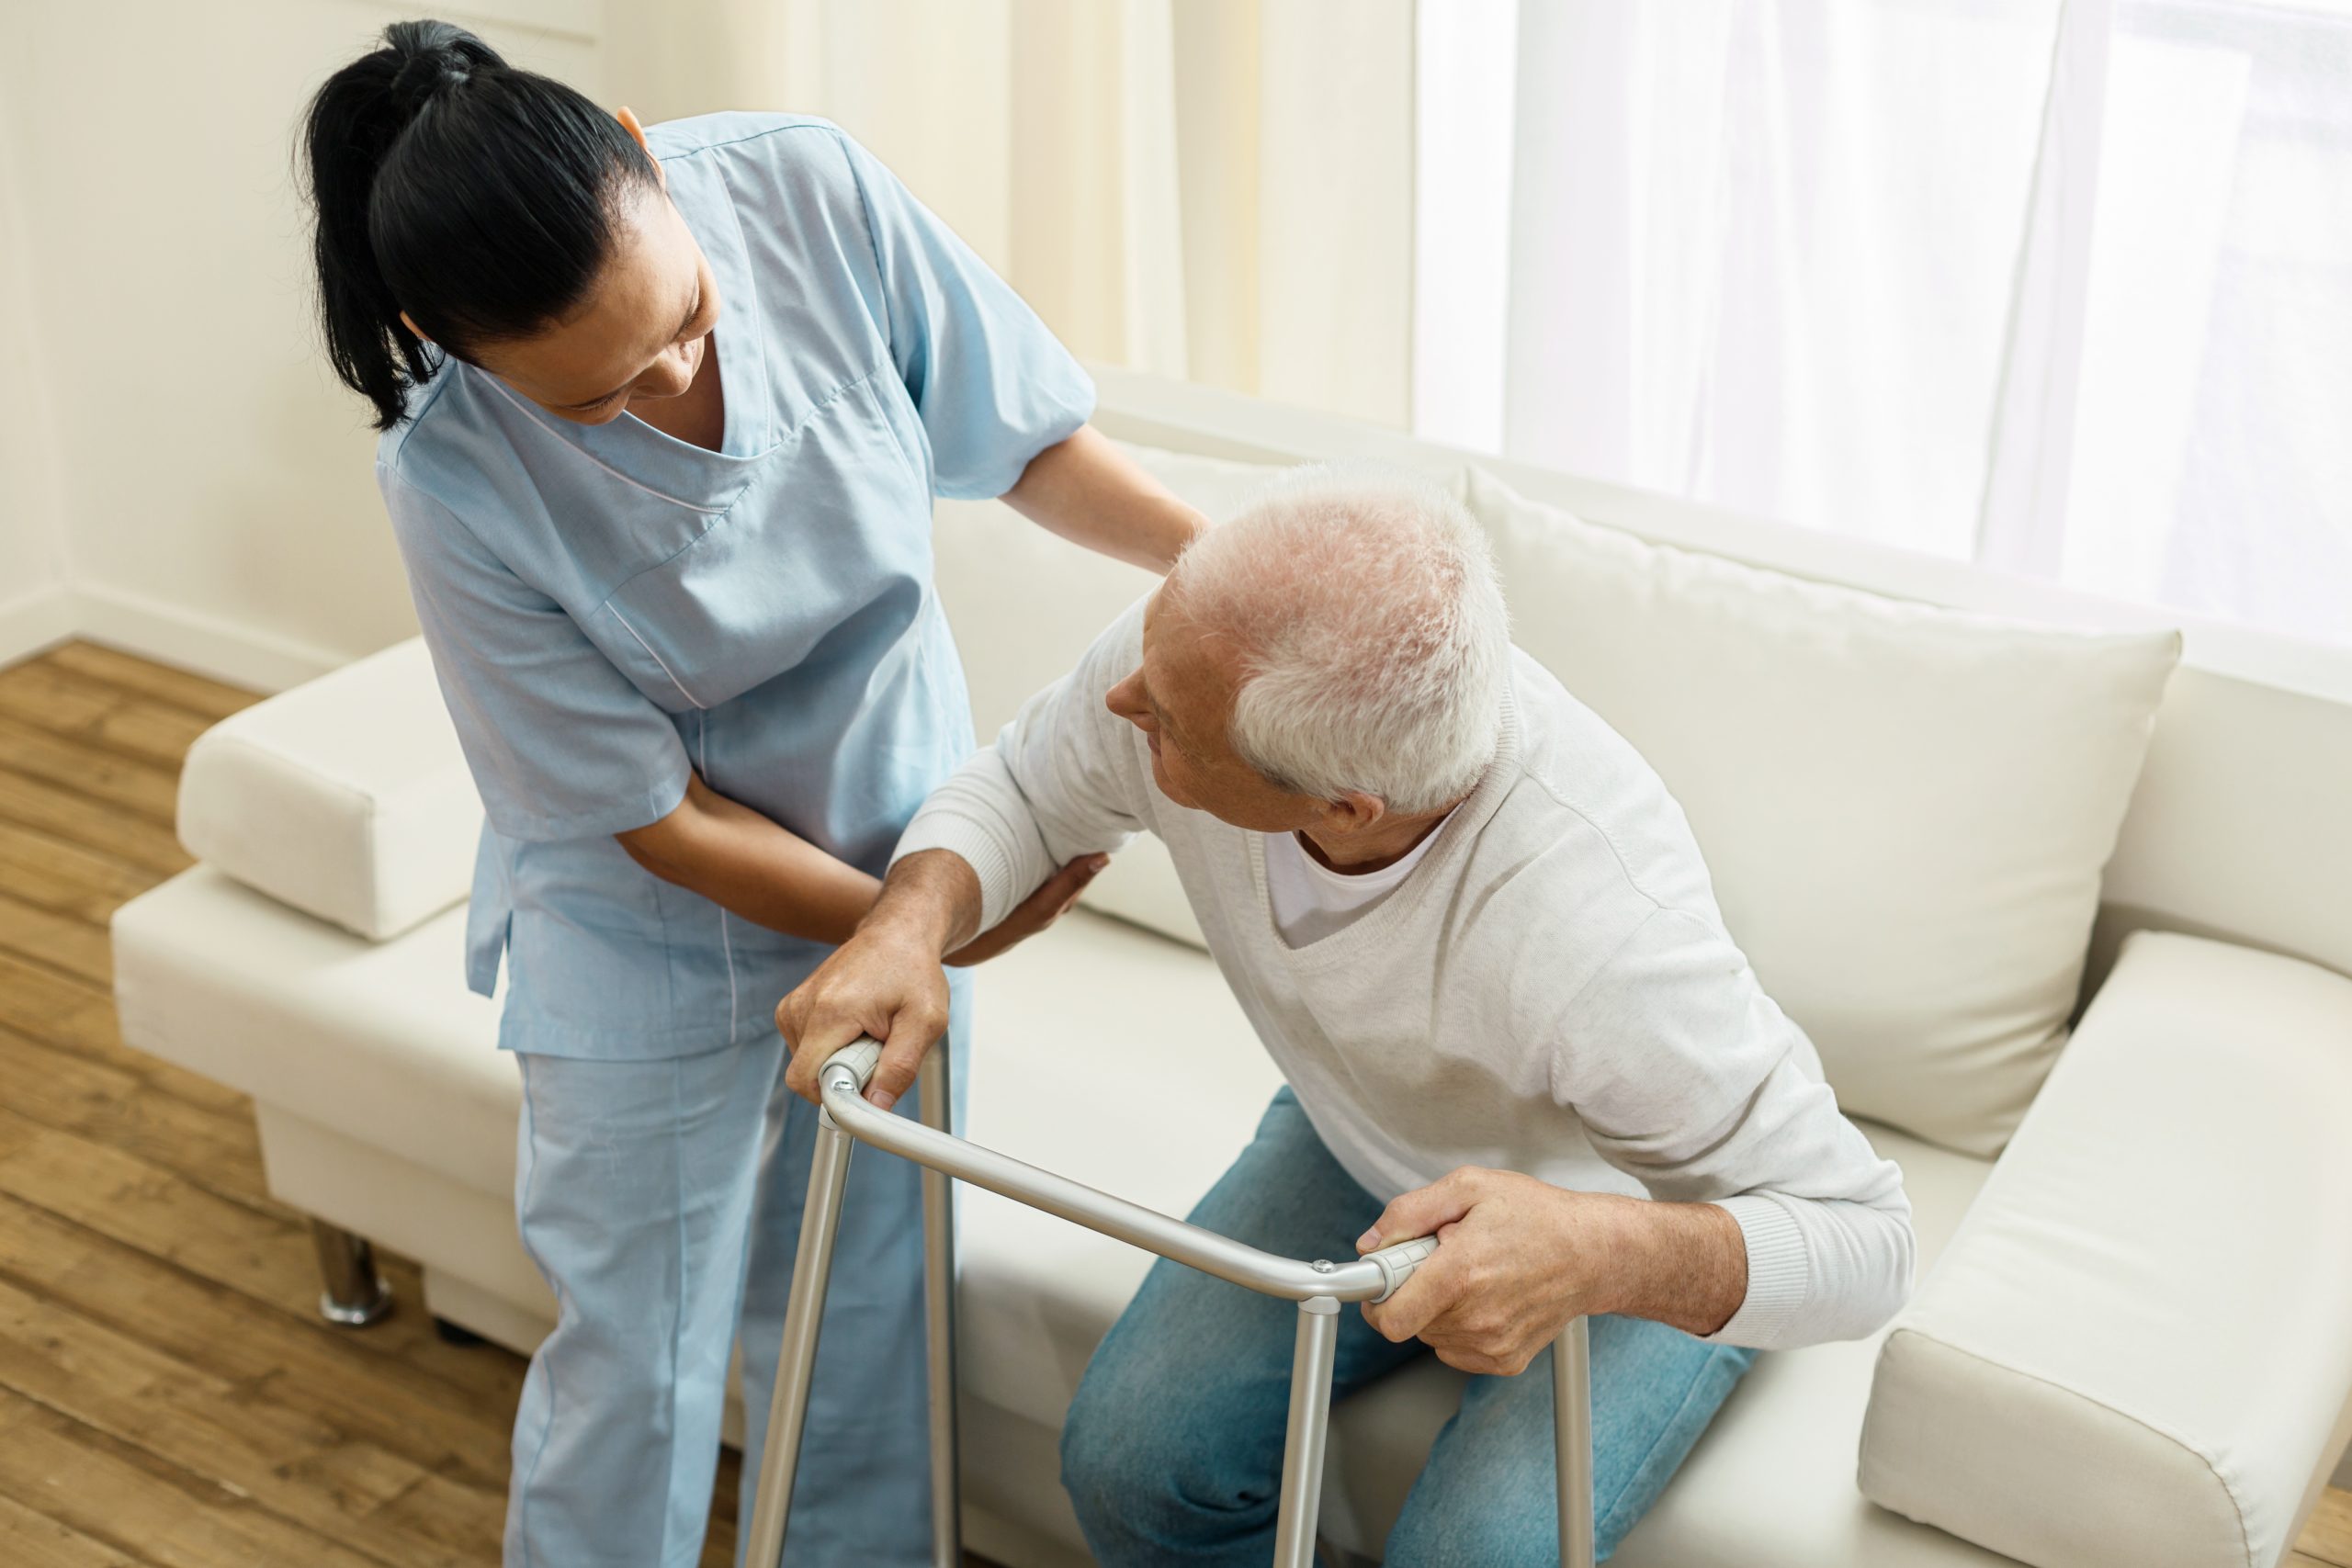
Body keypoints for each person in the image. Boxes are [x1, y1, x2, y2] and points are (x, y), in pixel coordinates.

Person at [300, 20, 1205, 1567]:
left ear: (648, 156)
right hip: (654, 925)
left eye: (692, 322)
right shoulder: (448, 480)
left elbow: (1027, 441)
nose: (668, 382)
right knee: (634, 1364)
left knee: (876, 1303)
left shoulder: (807, 188)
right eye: (596, 401)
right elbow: (654, 818)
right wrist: (919, 927)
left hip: (899, 832)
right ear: (444, 339)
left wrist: (1227, 579)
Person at [779, 466, 1915, 1564]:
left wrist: (1601, 1251)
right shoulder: (1193, 650)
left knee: (1475, 1556)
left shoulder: (1603, 930)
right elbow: (1028, 785)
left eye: (1168, 725)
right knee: (1132, 1464)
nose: (1124, 701)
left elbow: (1868, 1242)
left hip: (1623, 1213)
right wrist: (903, 926)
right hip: (1361, 1136)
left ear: (1338, 806)